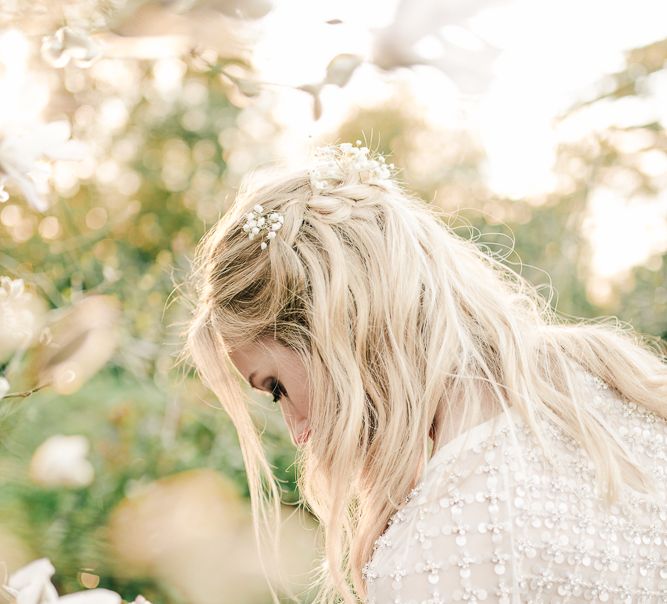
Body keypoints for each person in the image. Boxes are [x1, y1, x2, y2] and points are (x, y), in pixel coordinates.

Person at [182, 141, 667, 604]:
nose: (299, 431)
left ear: (332, 335)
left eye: (277, 389)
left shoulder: (436, 551)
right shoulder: (616, 380)